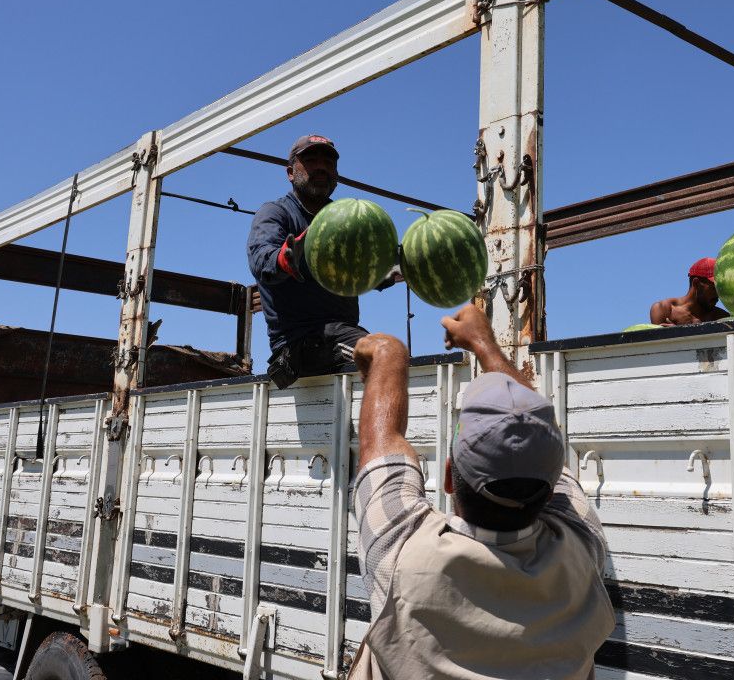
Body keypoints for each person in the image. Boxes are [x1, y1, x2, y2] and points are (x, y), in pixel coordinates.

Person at [348, 304, 614, 680]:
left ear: (448, 478)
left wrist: (389, 352)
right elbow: (534, 437)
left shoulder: (401, 554)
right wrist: (485, 346)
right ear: (553, 483)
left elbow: (382, 441)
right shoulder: (582, 553)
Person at [246, 134, 369, 388]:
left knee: (397, 358)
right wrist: (284, 258)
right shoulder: (275, 213)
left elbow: (365, 269)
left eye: (329, 162)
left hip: (340, 334)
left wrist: (389, 269)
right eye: (311, 160)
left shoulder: (343, 220)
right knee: (383, 353)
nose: (321, 167)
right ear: (291, 172)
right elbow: (261, 259)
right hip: (300, 343)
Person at [650, 257, 729, 326]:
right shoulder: (664, 310)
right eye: (714, 288)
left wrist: (676, 333)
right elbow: (659, 342)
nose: (718, 294)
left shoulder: (721, 317)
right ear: (696, 283)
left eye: (720, 288)